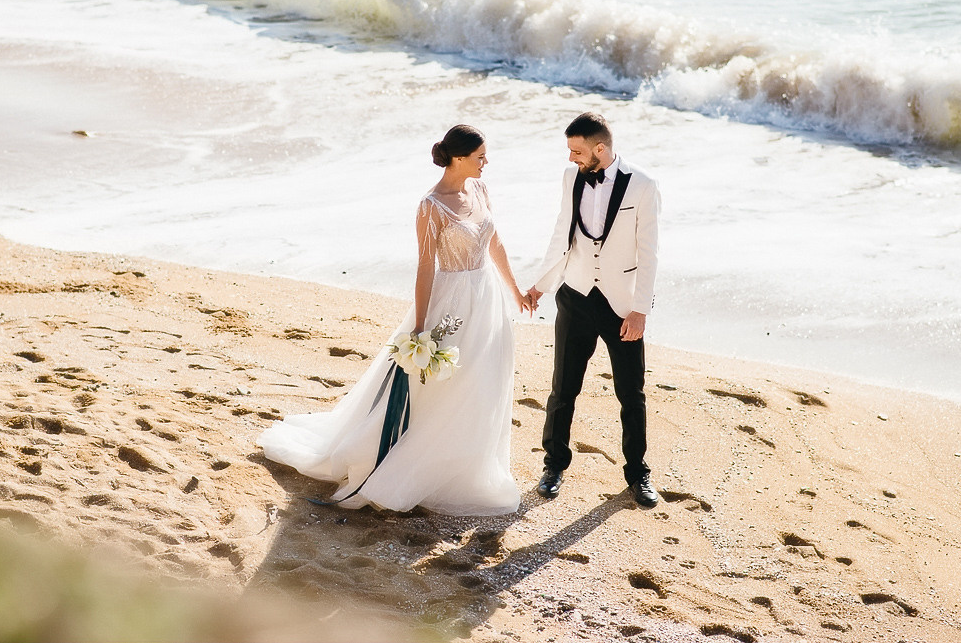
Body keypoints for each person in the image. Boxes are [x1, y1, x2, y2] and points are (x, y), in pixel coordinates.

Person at [259, 125, 532, 515]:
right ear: (458, 158)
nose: (486, 162)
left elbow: (495, 242)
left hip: (487, 298)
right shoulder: (431, 206)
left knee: (483, 378)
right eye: (480, 157)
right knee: (443, 383)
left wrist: (515, 290)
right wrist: (421, 328)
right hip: (450, 302)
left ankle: (467, 464)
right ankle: (413, 463)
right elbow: (425, 268)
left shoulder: (481, 190)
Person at [525, 112, 661, 507]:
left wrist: (640, 310)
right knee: (563, 388)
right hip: (576, 296)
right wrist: (541, 285)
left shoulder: (644, 185)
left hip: (622, 306)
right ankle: (554, 465)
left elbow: (649, 253)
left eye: (577, 151)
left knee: (631, 394)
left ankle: (638, 474)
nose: (571, 158)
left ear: (600, 149)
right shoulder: (571, 179)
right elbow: (560, 235)